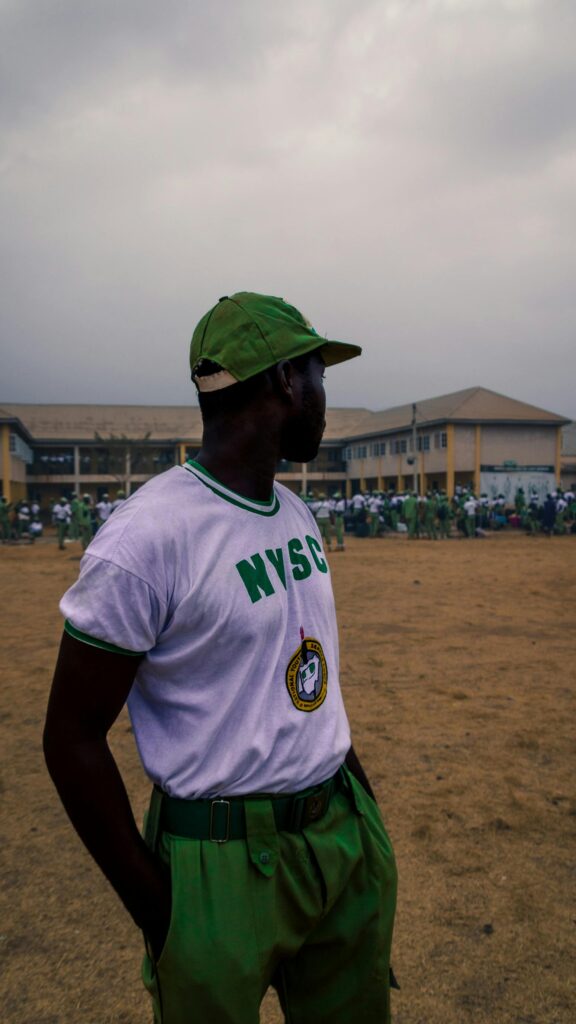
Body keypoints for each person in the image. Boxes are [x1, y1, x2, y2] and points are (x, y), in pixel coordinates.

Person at [43, 292, 398, 1024]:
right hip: (217, 862)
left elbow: (308, 678)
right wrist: (160, 909)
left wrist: (362, 814)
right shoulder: (145, 540)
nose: (326, 395)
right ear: (283, 383)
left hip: (336, 833)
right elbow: (70, 738)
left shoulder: (293, 511)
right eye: (318, 372)